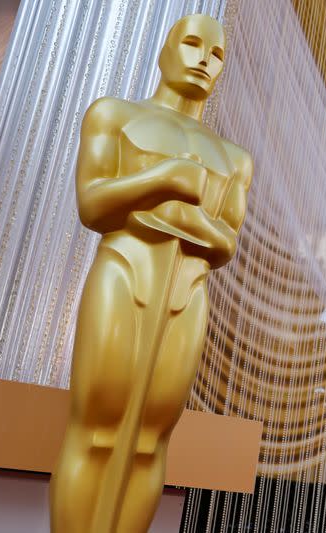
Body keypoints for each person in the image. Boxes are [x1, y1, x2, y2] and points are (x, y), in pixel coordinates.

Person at [49, 14, 253, 533]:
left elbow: (224, 242)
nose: (205, 58)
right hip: (123, 274)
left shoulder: (234, 160)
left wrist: (166, 213)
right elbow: (93, 203)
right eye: (191, 43)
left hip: (188, 292)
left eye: (217, 53)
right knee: (96, 428)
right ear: (163, 50)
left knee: (149, 439)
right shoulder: (114, 115)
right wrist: (166, 178)